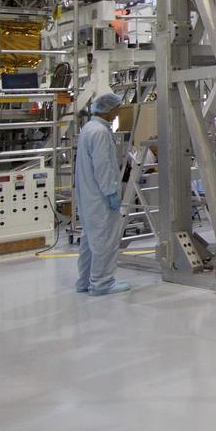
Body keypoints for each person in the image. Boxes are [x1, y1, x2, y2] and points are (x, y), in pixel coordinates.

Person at [75, 92, 131, 296]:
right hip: (99, 197)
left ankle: (84, 281)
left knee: (90, 241)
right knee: (104, 240)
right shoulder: (99, 132)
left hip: (88, 196)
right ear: (108, 109)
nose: (118, 112)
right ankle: (101, 283)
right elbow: (103, 166)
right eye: (117, 108)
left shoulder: (89, 128)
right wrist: (110, 192)